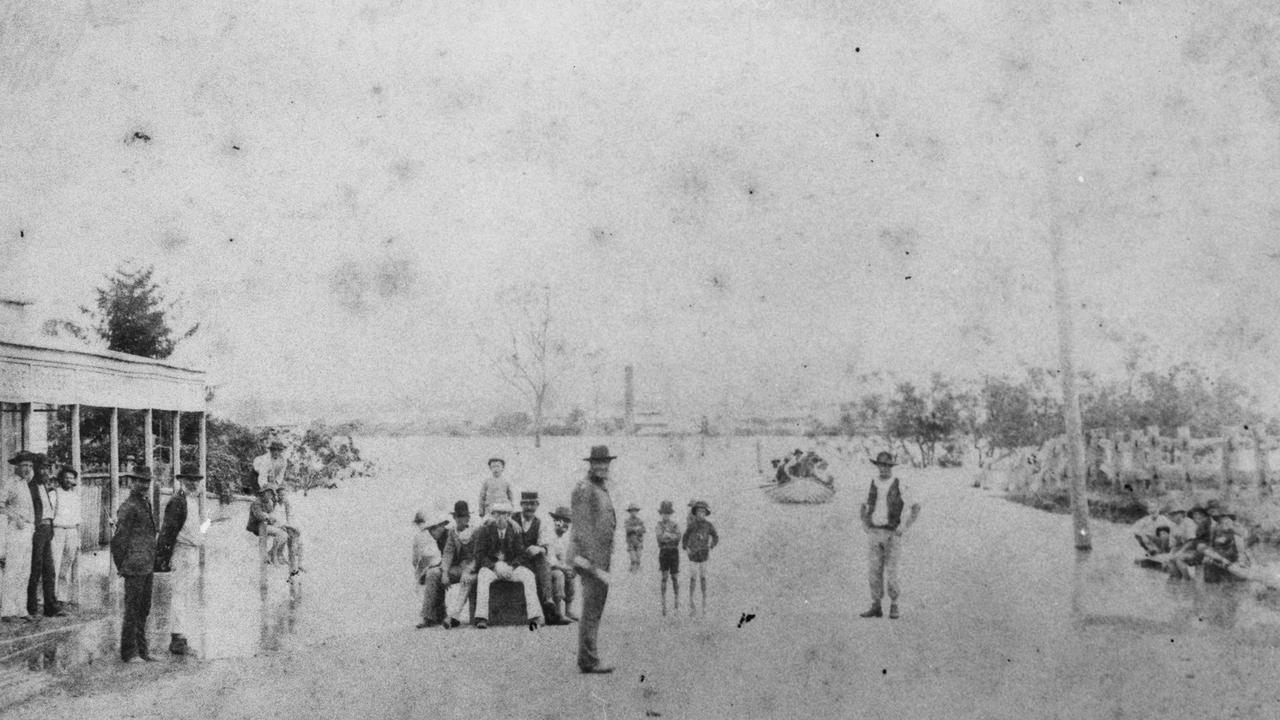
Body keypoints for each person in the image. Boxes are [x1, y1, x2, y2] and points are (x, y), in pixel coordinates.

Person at [570, 445, 617, 674]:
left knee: (595, 608)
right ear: (590, 464)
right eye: (598, 463)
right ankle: (588, 660)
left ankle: (590, 656)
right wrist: (592, 564)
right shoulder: (584, 488)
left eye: (605, 463)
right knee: (591, 609)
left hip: (600, 559)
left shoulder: (599, 488)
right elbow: (581, 527)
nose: (602, 466)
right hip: (589, 561)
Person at [859, 451, 921, 620]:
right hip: (874, 532)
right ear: (877, 466)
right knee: (874, 571)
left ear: (891, 467)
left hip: (892, 534)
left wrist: (904, 527)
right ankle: (876, 605)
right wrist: (865, 523)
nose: (884, 469)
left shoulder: (899, 483)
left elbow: (915, 507)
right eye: (881, 465)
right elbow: (863, 506)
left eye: (887, 465)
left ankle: (894, 605)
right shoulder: (871, 483)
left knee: (892, 572)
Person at [110, 469, 158, 662]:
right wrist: (123, 565)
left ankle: (143, 651)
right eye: (140, 481)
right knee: (132, 609)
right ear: (132, 482)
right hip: (134, 566)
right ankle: (129, 652)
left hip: (147, 564)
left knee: (144, 609)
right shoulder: (128, 506)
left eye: (147, 481)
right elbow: (118, 541)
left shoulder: (144, 503)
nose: (145, 485)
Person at [472, 502, 543, 630]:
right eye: (497, 513)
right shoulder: (485, 530)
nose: (500, 517)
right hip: (492, 568)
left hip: (510, 568)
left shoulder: (515, 531)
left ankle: (535, 616)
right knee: (482, 575)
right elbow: (479, 555)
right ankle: (481, 618)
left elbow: (521, 555)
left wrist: (511, 566)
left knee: (528, 575)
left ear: (509, 516)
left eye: (504, 514)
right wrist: (494, 566)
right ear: (492, 515)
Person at [160, 474, 205, 655]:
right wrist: (167, 555)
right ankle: (177, 639)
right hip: (182, 551)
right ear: (182, 482)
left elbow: (194, 529)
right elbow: (168, 530)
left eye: (196, 480)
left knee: (185, 595)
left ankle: (181, 635)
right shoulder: (177, 501)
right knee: (179, 594)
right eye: (189, 480)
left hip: (192, 552)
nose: (193, 483)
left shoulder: (192, 502)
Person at [514, 491, 568, 624]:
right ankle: (548, 602)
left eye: (532, 504)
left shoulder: (540, 523)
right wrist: (509, 520)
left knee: (554, 570)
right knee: (544, 561)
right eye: (526, 504)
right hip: (516, 561)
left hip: (532, 563)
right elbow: (492, 518)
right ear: (521, 505)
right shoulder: (513, 518)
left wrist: (539, 548)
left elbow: (546, 546)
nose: (529, 508)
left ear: (537, 505)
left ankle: (553, 608)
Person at [1, 451, 38, 621]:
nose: (27, 468)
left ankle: (21, 609)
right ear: (17, 466)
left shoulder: (25, 483)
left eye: (30, 465)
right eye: (24, 465)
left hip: (28, 530)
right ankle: (7, 611)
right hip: (16, 529)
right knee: (13, 569)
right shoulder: (11, 483)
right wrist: (15, 517)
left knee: (24, 571)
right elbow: (0, 504)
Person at [27, 455, 63, 618]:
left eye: (47, 468)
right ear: (35, 469)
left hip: (48, 529)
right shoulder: (30, 487)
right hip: (38, 529)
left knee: (49, 569)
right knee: (35, 569)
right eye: (42, 468)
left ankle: (51, 607)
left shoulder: (45, 487)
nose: (45, 471)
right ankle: (31, 607)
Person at [442, 500, 478, 628]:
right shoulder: (453, 532)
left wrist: (468, 570)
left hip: (475, 567)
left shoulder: (476, 531)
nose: (460, 519)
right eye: (458, 516)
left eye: (463, 516)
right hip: (460, 567)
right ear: (454, 517)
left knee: (466, 581)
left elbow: (479, 555)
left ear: (468, 517)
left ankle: (453, 616)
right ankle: (434, 614)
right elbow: (448, 553)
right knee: (436, 575)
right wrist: (445, 573)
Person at [50, 467, 82, 608]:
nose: (69, 480)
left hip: (72, 531)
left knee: (66, 566)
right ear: (60, 479)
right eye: (66, 477)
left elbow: (78, 519)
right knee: (55, 564)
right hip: (57, 531)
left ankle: (62, 598)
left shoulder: (75, 496)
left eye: (71, 478)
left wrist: (78, 538)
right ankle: (51, 598)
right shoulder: (54, 494)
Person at [681, 500, 718, 617]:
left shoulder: (709, 525)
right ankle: (691, 599)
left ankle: (704, 599)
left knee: (703, 577)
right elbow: (685, 537)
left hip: (704, 554)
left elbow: (716, 537)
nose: (700, 514)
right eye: (698, 512)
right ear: (695, 513)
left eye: (703, 512)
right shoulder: (692, 525)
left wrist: (711, 545)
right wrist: (686, 548)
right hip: (693, 555)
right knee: (693, 577)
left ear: (705, 513)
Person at [412, 510, 448, 628]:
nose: (431, 531)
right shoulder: (433, 537)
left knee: (433, 576)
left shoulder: (445, 535)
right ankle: (436, 615)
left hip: (443, 566)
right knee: (433, 577)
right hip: (436, 566)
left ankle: (435, 615)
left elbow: (416, 559)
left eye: (433, 528)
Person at [1201, 505, 1251, 584]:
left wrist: (1232, 528)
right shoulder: (1214, 527)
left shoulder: (1235, 527)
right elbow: (1211, 544)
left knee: (1238, 570)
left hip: (1233, 553)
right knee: (1208, 562)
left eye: (1226, 518)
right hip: (1219, 553)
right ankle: (1215, 585)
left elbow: (1244, 535)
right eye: (1221, 518)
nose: (1224, 521)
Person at [547, 505, 578, 623]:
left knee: (569, 573)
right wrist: (564, 568)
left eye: (567, 522)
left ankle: (568, 610)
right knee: (559, 574)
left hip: (559, 567)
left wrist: (570, 568)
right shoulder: (549, 536)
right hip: (547, 569)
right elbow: (550, 559)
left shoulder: (563, 539)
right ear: (555, 521)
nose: (565, 524)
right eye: (561, 520)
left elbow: (566, 558)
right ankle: (558, 613)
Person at [655, 500, 681, 616]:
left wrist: (668, 535)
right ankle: (664, 604)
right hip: (664, 552)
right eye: (664, 513)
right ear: (661, 514)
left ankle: (676, 602)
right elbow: (660, 538)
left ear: (670, 514)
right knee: (664, 577)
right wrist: (671, 536)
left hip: (674, 552)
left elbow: (678, 537)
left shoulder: (674, 524)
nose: (666, 515)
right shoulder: (659, 525)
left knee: (674, 577)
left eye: (668, 513)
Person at [624, 503, 645, 572]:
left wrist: (639, 530)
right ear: (630, 512)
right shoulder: (627, 521)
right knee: (633, 559)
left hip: (638, 541)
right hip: (631, 542)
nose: (633, 513)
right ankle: (632, 569)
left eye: (635, 511)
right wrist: (635, 529)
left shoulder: (640, 521)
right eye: (632, 511)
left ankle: (638, 569)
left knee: (638, 557)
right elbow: (627, 529)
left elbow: (644, 530)